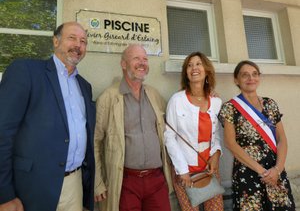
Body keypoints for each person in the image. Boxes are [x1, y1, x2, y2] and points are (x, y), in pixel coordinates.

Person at [0, 21, 96, 211]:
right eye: (72, 38)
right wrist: (4, 194)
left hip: (73, 185)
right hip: (32, 186)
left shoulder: (85, 86)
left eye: (83, 41)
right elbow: (2, 132)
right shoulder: (26, 71)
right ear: (55, 41)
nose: (78, 45)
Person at [94, 44, 173, 211]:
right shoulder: (108, 98)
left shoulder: (153, 95)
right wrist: (98, 182)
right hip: (125, 181)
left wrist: (203, 94)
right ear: (124, 64)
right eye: (136, 58)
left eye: (145, 59)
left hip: (156, 180)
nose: (142, 63)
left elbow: (176, 118)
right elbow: (95, 142)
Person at [218, 60, 295, 210]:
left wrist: (277, 170)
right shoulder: (230, 108)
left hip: (275, 170)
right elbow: (230, 144)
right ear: (236, 80)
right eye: (245, 75)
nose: (250, 78)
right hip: (248, 172)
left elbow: (282, 140)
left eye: (254, 74)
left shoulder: (270, 104)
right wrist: (263, 172)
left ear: (259, 77)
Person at [164, 52, 224, 211]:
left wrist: (216, 153)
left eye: (198, 64)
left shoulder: (216, 102)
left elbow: (216, 133)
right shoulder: (176, 100)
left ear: (206, 70)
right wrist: (182, 171)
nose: (194, 68)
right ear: (186, 73)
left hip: (209, 168)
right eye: (189, 65)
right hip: (185, 170)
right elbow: (169, 137)